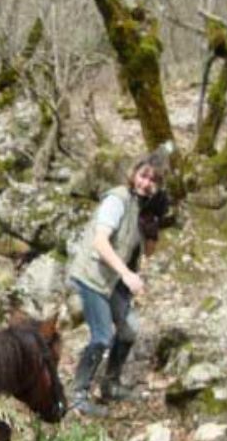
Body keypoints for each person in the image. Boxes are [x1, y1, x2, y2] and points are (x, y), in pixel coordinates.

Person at [67, 151, 169, 417]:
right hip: (93, 276)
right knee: (102, 336)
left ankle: (110, 385)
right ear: (134, 173)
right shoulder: (118, 199)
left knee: (129, 331)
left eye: (153, 180)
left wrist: (154, 224)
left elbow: (148, 252)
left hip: (113, 281)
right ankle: (78, 395)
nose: (146, 183)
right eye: (143, 176)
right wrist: (126, 274)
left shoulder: (142, 207)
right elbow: (100, 242)